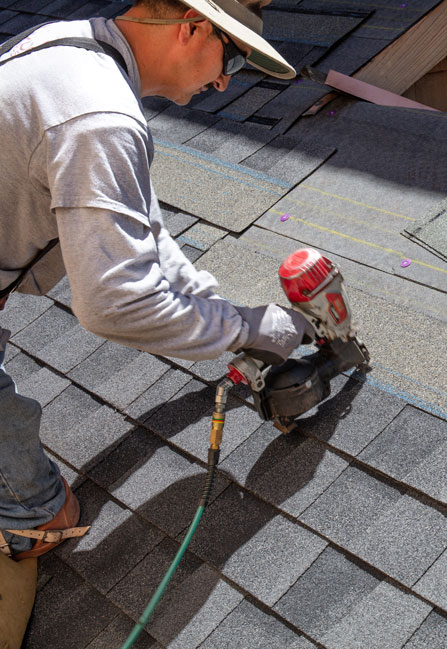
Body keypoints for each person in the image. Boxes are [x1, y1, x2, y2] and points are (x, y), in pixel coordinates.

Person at [0, 0, 305, 560]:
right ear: (192, 27)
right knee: (45, 516)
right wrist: (240, 330)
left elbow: (138, 226)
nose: (220, 85)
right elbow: (116, 302)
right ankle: (28, 524)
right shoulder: (99, 117)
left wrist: (214, 305)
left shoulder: (68, 44)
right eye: (231, 62)